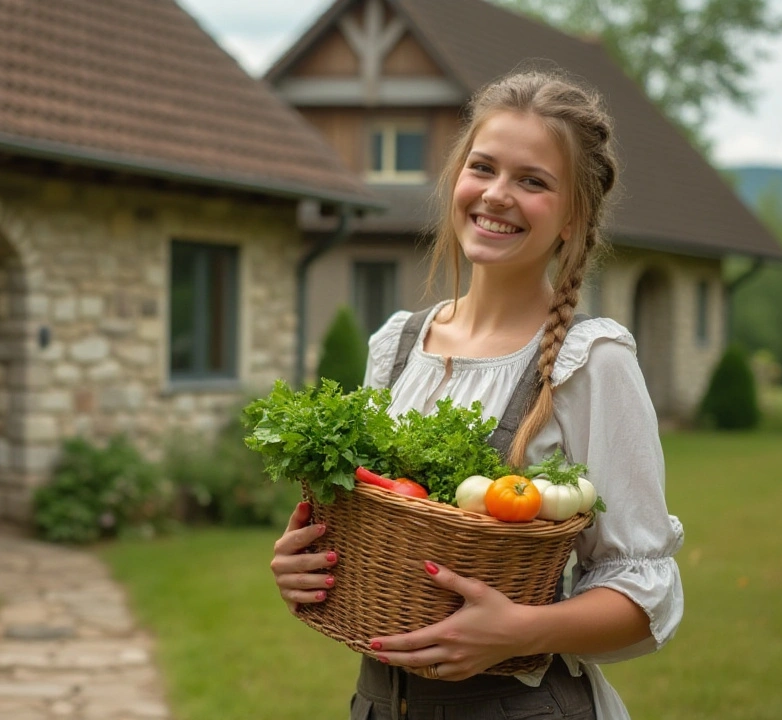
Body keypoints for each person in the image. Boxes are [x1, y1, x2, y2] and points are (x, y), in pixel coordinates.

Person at [270, 67, 684, 720]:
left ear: (573, 217)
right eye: (483, 168)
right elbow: (376, 535)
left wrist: (524, 631)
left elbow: (646, 587)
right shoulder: (397, 346)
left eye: (533, 181)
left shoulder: (589, 362)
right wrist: (308, 567)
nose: (496, 195)